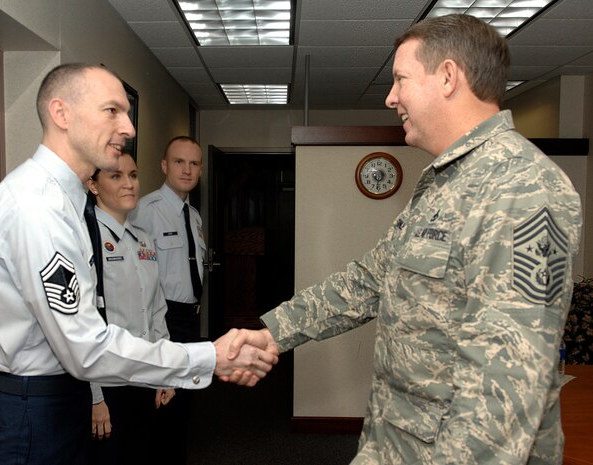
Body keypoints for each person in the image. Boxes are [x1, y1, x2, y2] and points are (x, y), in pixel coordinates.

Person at [226, 14, 582, 465]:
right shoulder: (442, 181)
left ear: (448, 77)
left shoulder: (521, 189)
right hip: (395, 440)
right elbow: (370, 280)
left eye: (400, 79)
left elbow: (504, 390)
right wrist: (273, 333)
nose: (390, 97)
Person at [0, 63, 277, 465]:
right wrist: (208, 357)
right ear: (62, 114)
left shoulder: (64, 204)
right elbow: (86, 349)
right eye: (112, 111)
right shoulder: (37, 207)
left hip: (56, 399)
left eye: (126, 114)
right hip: (31, 410)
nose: (128, 128)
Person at [85, 152, 175, 464]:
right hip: (108, 384)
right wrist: (95, 398)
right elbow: (82, 327)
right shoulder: (84, 239)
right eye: (116, 176)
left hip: (145, 377)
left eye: (133, 175)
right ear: (93, 185)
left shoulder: (144, 240)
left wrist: (165, 373)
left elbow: (157, 312)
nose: (129, 184)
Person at [130, 135, 206, 464]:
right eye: (179, 162)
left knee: (185, 399)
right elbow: (133, 276)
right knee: (162, 406)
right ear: (164, 165)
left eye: (194, 163)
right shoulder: (145, 211)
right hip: (162, 320)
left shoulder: (193, 215)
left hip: (189, 319)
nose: (187, 170)